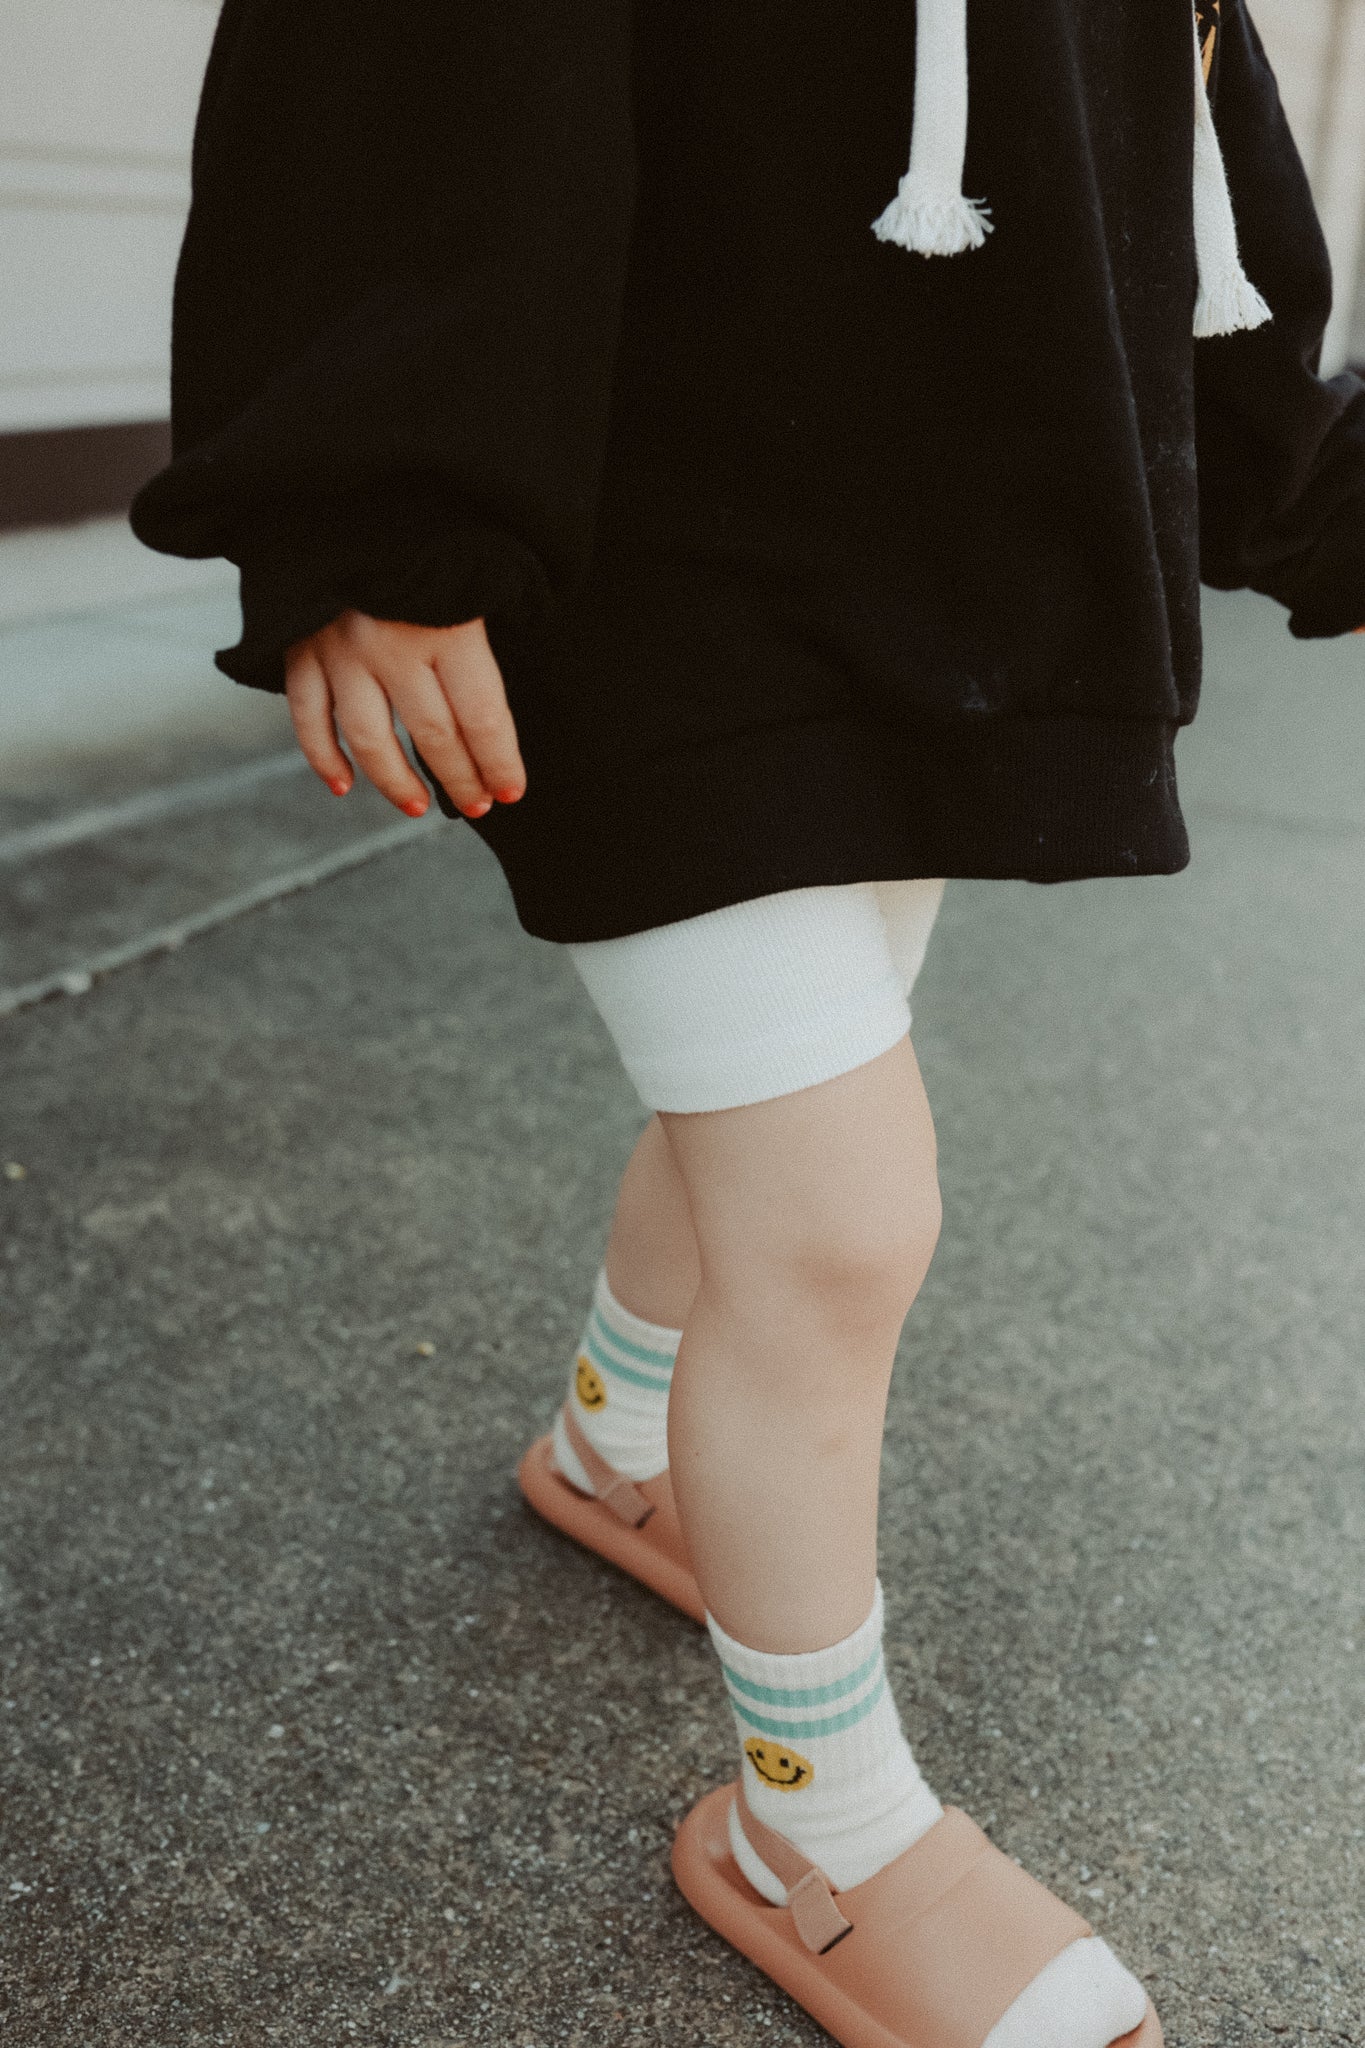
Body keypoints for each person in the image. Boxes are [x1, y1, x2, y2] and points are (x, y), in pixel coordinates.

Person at [132, 2, 1365, 2041]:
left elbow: (1172, 174)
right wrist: (365, 499)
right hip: (643, 546)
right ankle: (820, 1817)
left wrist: (1304, 488)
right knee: (837, 1208)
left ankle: (619, 1439)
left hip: (942, 569)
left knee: (789, 1073)